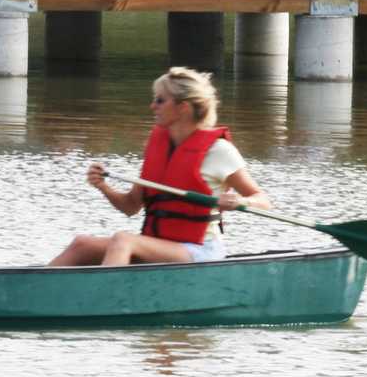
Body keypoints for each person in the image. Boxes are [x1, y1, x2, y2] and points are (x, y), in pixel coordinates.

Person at [47, 67, 270, 266]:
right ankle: (29, 297)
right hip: (159, 244)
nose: (152, 106)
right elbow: (130, 207)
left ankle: (105, 304)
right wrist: (103, 187)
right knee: (82, 244)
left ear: (182, 108)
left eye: (160, 100)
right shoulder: (158, 147)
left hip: (200, 250)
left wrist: (242, 201)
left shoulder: (219, 151)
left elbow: (263, 200)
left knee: (123, 240)